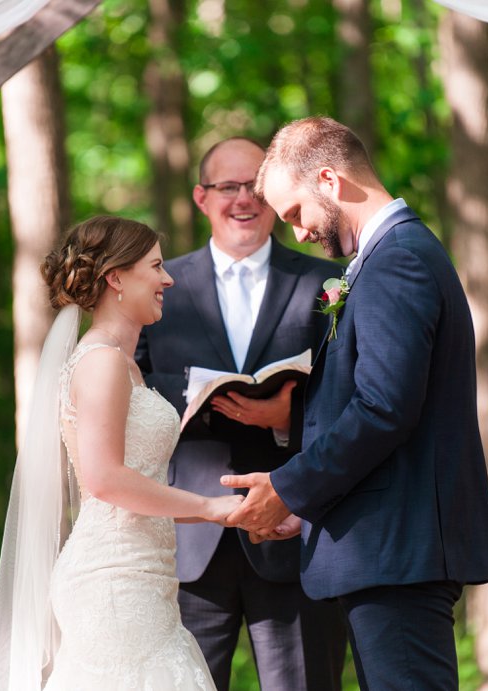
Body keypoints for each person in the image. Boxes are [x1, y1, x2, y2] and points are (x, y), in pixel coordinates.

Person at [221, 117, 488, 690]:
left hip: (398, 550)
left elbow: (384, 408)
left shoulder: (397, 259)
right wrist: (309, 505)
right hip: (388, 545)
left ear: (329, 179)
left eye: (296, 212)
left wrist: (289, 488)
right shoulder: (389, 257)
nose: (297, 233)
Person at [0, 216, 243, 691]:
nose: (168, 279)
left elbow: (141, 486)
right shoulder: (101, 361)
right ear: (116, 278)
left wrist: (235, 512)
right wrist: (210, 508)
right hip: (114, 585)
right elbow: (105, 480)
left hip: (145, 577)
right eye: (156, 266)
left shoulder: (124, 365)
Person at [136, 137, 348, 690]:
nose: (243, 199)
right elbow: (125, 384)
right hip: (189, 540)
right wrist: (188, 395)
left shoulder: (326, 283)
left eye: (255, 186)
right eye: (228, 187)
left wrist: (285, 416)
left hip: (293, 527)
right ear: (201, 197)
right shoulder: (159, 285)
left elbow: (354, 392)